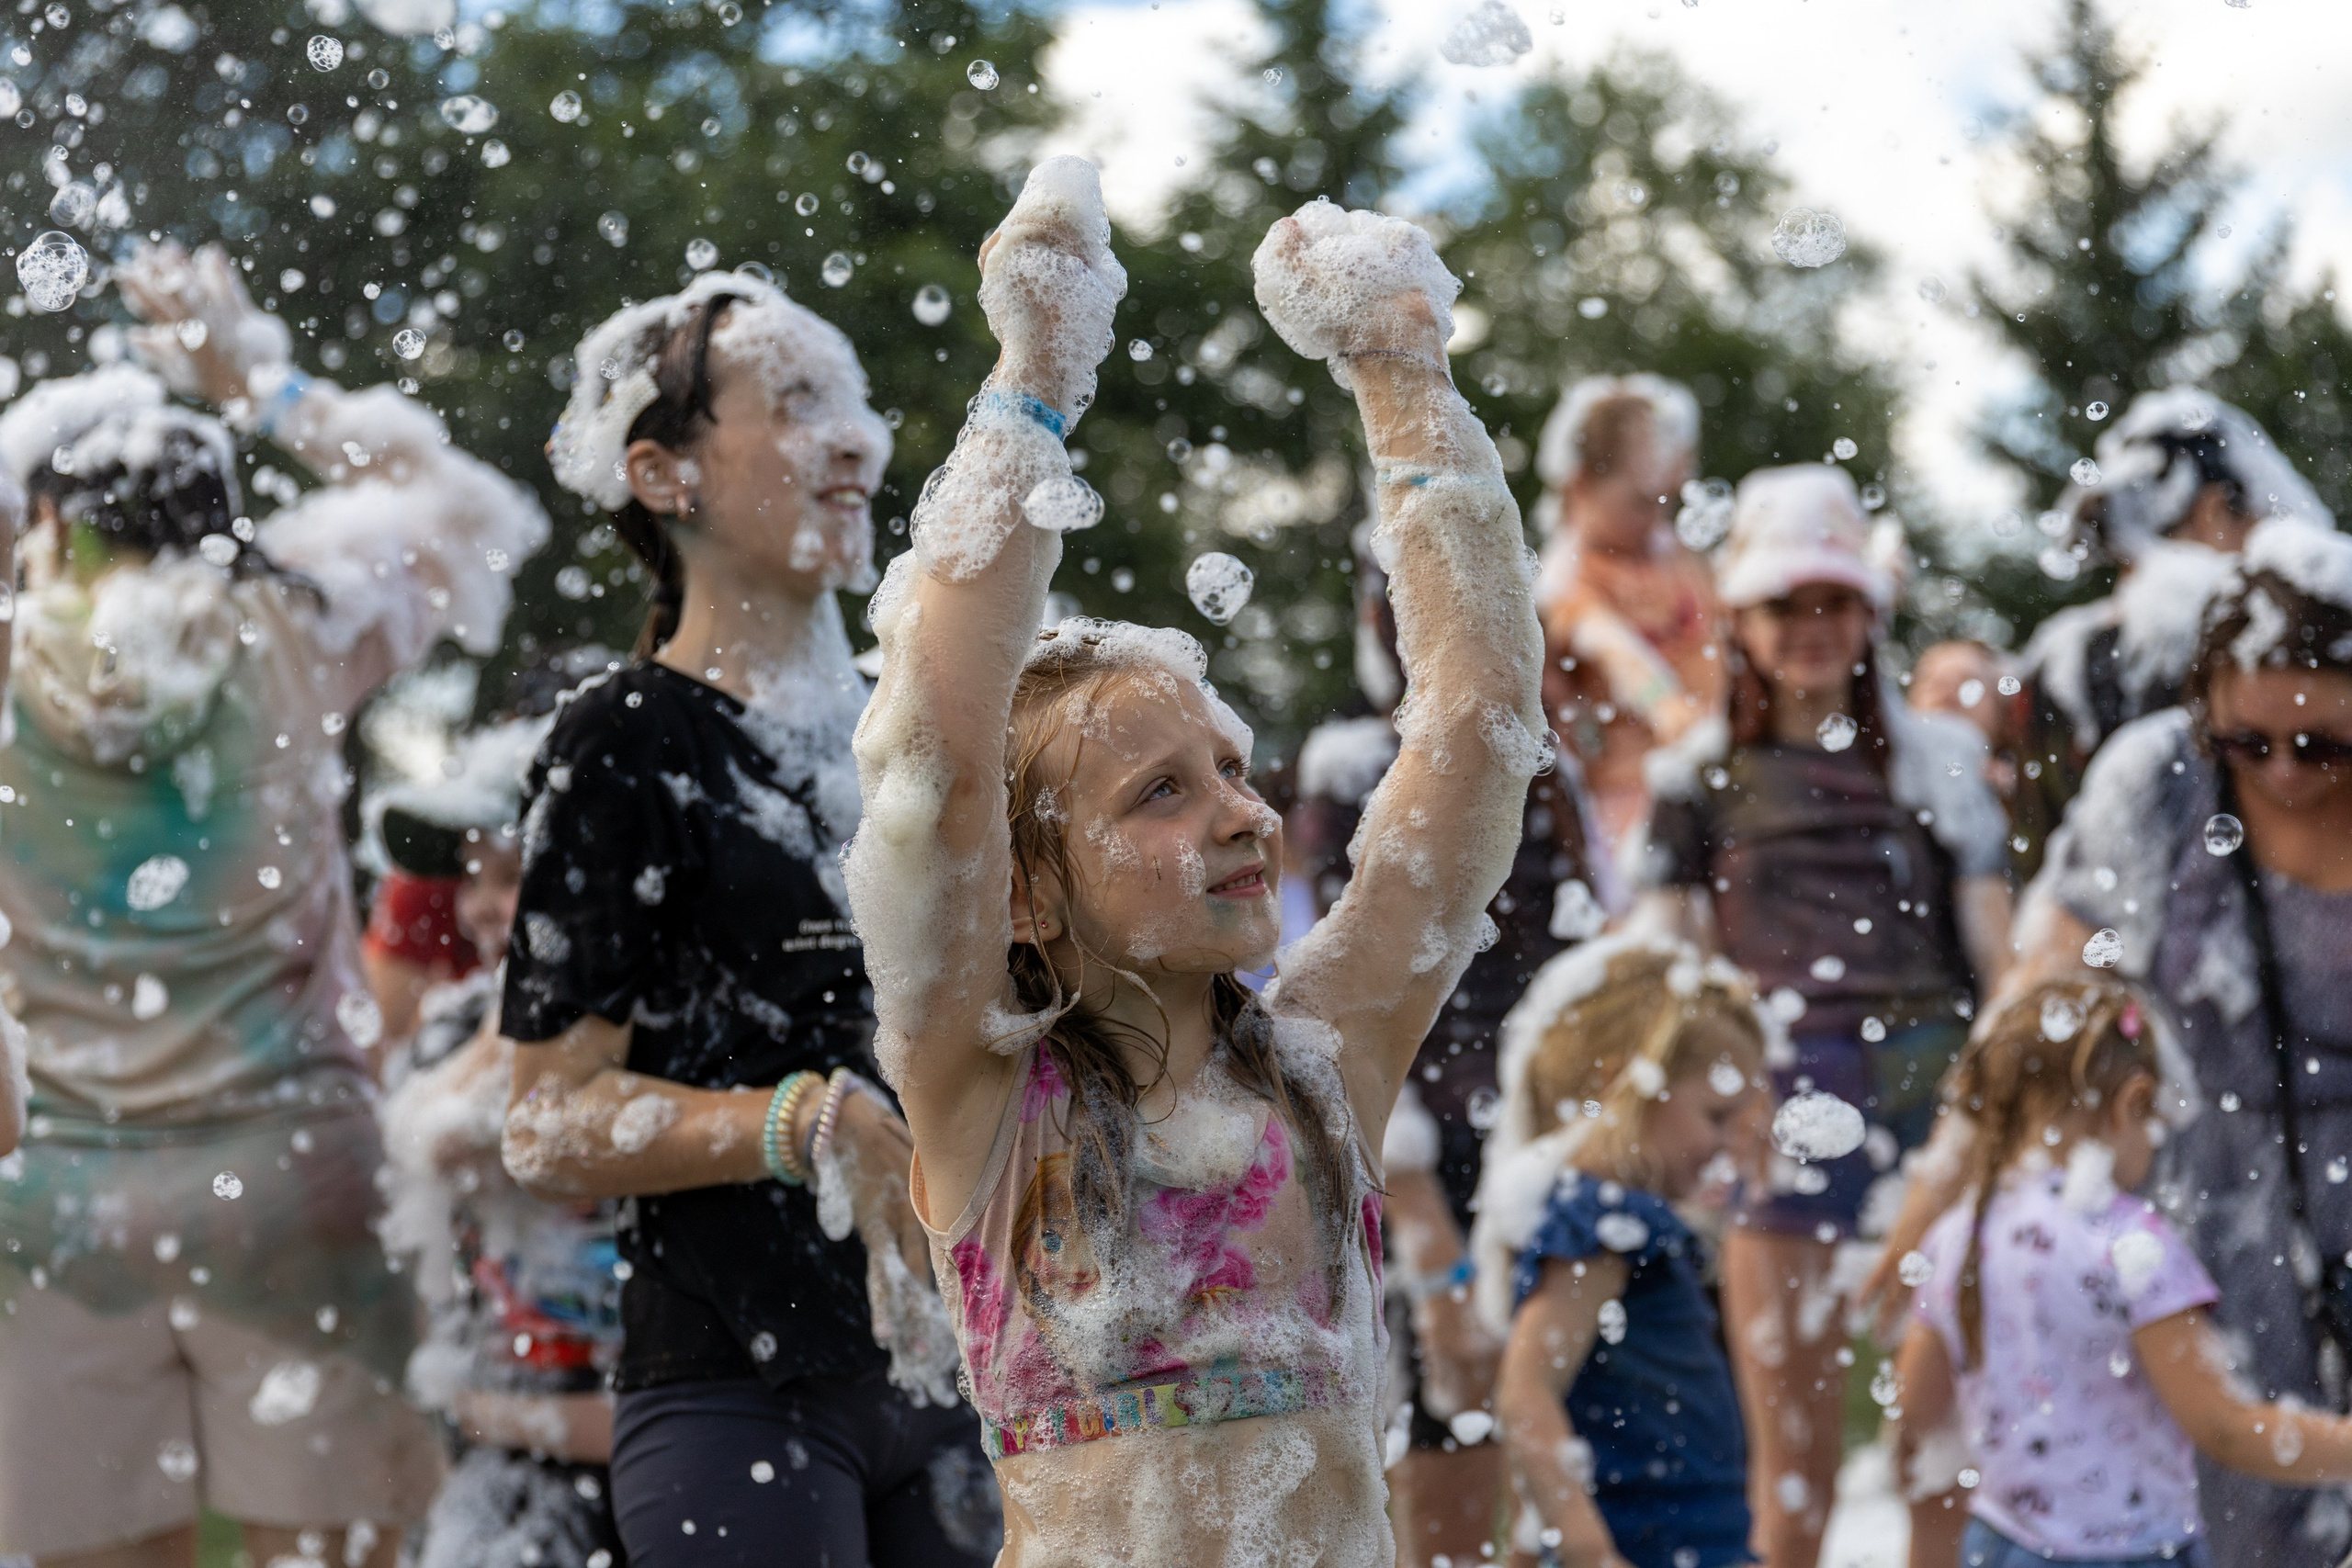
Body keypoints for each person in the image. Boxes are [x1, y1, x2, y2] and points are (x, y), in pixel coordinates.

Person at [842, 165, 1546, 1564]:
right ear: (1029, 889)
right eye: (1160, 791)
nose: (1241, 814)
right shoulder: (986, 1094)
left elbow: (1476, 730)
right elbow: (930, 762)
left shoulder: (1320, 1065)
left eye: (1231, 768)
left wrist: (1403, 373)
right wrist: (1035, 376)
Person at [0, 242, 548, 1567]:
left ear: (46, 528)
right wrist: (260, 379)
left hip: (67, 1196)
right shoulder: (291, 627)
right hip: (295, 1177)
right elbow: (475, 513)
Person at [498, 266, 998, 1568]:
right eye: (791, 403)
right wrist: (797, 1120)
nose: (855, 437)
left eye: (853, 400)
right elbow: (546, 1121)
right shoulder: (624, 739)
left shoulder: (912, 728)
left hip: (968, 1363)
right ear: (663, 475)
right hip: (734, 1382)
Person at [1873, 515, 2352, 1567]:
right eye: (2245, 741)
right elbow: (2035, 1008)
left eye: (2320, 744)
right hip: (2204, 1202)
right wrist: (1940, 1185)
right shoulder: (2160, 786)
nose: (2279, 771)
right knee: (2228, 1491)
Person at [1635, 465, 2012, 1568]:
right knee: (1788, 1468)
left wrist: (1996, 1111)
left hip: (1933, 1103)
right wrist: (1709, 1104)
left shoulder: (1940, 763)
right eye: (1783, 604)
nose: (1810, 628)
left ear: (1869, 613)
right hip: (1778, 1108)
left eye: (1832, 601)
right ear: (1739, 619)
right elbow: (1670, 975)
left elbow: (1997, 961)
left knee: (1938, 1449)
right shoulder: (1693, 777)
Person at [1290, 523, 1608, 1565]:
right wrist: (1421, 1235)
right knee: (1448, 1414)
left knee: (1565, 1442)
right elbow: (1344, 1005)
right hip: (1412, 1143)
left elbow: (1582, 973)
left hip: (1537, 1136)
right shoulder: (1352, 769)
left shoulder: (1543, 764)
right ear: (1384, 621)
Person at [1893, 977, 2352, 1568]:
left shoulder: (1955, 1238)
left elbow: (1917, 1412)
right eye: (2153, 1121)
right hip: (2132, 1552)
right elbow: (2223, 1429)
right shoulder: (2128, 1246)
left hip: (2001, 1545)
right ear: (2130, 1103)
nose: (2156, 1144)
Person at [377, 711, 628, 1568]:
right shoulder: (454, 1029)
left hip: (645, 1414)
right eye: (474, 876)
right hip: (506, 1432)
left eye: (513, 874)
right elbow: (429, 1139)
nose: (484, 903)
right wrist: (516, 1010)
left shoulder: (649, 1024)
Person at [1476, 935, 1766, 1568]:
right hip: (1644, 1540)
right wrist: (1587, 1548)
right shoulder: (1604, 1220)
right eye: (1716, 1114)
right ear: (1625, 1083)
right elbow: (1526, 1392)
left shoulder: (1632, 1220)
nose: (1727, 1143)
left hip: (1693, 1531)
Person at [2009, 389, 2332, 876]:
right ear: (2214, 508)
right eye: (2258, 516)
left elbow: (2040, 855)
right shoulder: (2249, 645)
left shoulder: (2057, 660)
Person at [1532, 376, 1725, 862]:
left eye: (1667, 500)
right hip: (1627, 808)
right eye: (1641, 502)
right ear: (1579, 484)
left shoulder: (1673, 556)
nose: (1658, 519)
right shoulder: (1565, 579)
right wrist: (1673, 714)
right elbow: (1618, 654)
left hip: (1714, 782)